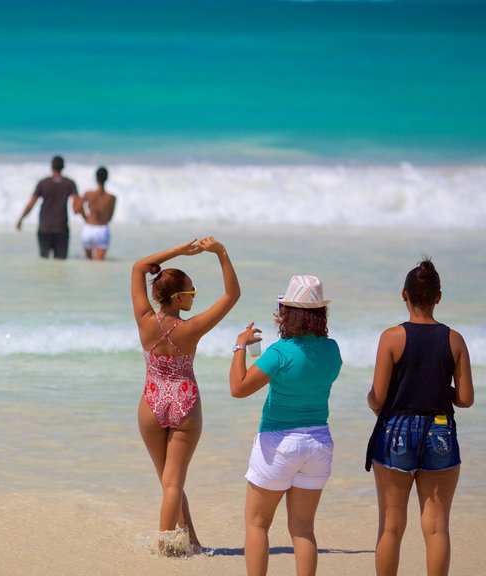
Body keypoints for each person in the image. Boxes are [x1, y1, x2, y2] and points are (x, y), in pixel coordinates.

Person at [365, 258, 474, 576]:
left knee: (391, 526)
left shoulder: (392, 337)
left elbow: (380, 396)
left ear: (404, 294)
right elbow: (465, 399)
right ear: (439, 297)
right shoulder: (454, 339)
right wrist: (439, 391)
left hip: (396, 430)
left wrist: (371, 401)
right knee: (437, 527)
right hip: (441, 430)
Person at [131, 237, 240, 555]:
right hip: (184, 404)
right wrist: (221, 252)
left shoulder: (144, 320)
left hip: (150, 403)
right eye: (191, 292)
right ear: (178, 298)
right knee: (173, 483)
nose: (195, 296)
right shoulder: (192, 328)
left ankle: (190, 541)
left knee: (168, 481)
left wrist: (178, 251)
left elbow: (137, 268)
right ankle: (166, 546)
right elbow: (233, 295)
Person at [229, 275, 342, 576]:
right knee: (303, 530)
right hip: (319, 442)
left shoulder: (280, 352)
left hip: (279, 442)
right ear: (319, 313)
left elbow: (238, 389)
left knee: (257, 523)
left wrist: (240, 346)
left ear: (287, 312)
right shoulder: (332, 349)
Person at [16, 155, 83, 259]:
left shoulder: (43, 183)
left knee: (44, 261)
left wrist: (21, 218)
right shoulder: (69, 183)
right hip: (61, 228)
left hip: (44, 227)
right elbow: (77, 205)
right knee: (60, 262)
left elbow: (31, 204)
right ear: (63, 167)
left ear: (51, 166)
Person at [79, 166, 117, 261]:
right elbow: (110, 218)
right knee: (99, 265)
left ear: (96, 178)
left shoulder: (88, 194)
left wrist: (86, 218)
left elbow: (78, 207)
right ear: (106, 178)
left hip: (88, 229)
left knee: (87, 261)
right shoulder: (111, 198)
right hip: (102, 229)